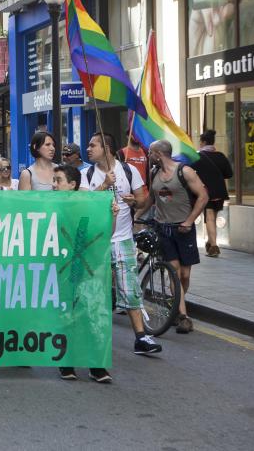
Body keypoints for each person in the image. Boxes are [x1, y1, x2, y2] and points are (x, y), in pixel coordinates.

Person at [81, 132, 162, 357]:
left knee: (130, 289)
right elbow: (83, 202)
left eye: (92, 145)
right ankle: (93, 336)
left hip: (123, 239)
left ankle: (141, 337)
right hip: (96, 242)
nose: (88, 149)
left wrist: (134, 201)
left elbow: (143, 200)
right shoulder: (86, 174)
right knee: (95, 290)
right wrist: (104, 185)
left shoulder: (129, 170)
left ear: (106, 148)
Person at [53, 163, 118, 383]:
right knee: (67, 314)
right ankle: (66, 361)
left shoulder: (89, 206)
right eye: (53, 181)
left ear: (72, 184)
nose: (54, 185)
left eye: (58, 181)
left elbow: (105, 234)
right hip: (61, 267)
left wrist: (112, 216)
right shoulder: (49, 205)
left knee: (92, 313)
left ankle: (96, 365)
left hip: (88, 267)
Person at [136, 139, 208, 334]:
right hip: (163, 229)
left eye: (151, 152)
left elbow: (203, 196)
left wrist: (189, 221)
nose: (149, 156)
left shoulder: (185, 171)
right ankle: (183, 316)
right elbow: (151, 199)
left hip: (183, 229)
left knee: (184, 275)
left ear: (159, 154)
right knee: (173, 272)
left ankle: (175, 302)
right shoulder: (154, 173)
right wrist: (137, 215)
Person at [190, 129, 233, 257]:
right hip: (220, 191)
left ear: (203, 142)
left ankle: (213, 246)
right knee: (212, 217)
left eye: (200, 141)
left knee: (209, 217)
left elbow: (190, 173)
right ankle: (210, 242)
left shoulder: (197, 157)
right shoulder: (221, 156)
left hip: (206, 191)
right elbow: (229, 174)